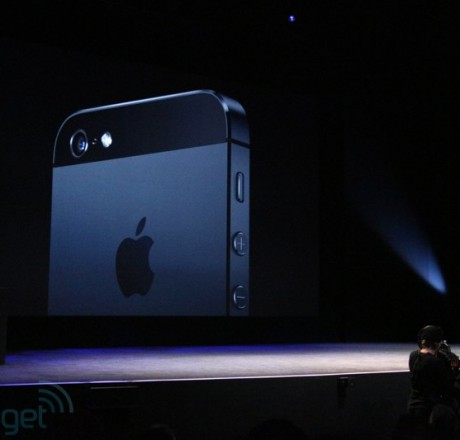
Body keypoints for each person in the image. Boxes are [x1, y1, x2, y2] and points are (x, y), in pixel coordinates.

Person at [407, 324, 460, 424]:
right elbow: (449, 384)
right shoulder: (436, 362)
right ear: (436, 343)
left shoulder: (413, 356)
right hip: (429, 411)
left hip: (413, 405)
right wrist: (451, 357)